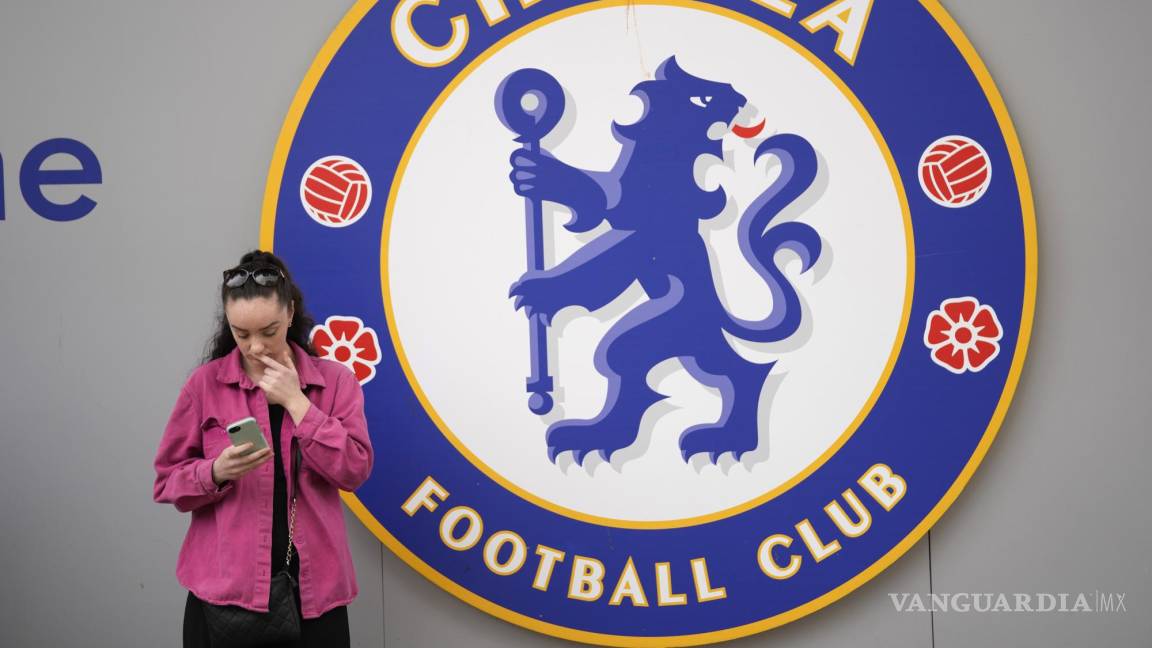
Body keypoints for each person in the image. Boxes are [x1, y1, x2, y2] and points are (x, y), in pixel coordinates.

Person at [153, 250, 373, 647]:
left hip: (314, 598)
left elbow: (354, 470)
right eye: (242, 334)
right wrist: (216, 472)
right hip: (224, 596)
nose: (255, 347)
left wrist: (299, 404)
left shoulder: (335, 382)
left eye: (269, 331)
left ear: (290, 313)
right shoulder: (205, 386)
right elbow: (168, 482)